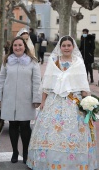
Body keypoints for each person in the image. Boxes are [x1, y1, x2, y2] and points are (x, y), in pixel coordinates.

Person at [27, 36, 97, 170]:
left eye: (68, 45)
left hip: (74, 102)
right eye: (63, 45)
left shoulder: (78, 63)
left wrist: (89, 102)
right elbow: (47, 84)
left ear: (73, 47)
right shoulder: (54, 62)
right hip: (54, 101)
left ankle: (74, 164)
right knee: (51, 132)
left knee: (73, 132)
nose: (66, 48)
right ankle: (49, 162)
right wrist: (43, 101)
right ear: (60, 47)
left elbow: (83, 85)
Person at [0, 36, 41, 164]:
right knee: (13, 125)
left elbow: (37, 81)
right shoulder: (7, 61)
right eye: (15, 45)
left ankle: (26, 152)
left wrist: (36, 98)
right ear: (12, 47)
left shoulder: (33, 61)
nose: (17, 47)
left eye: (20, 45)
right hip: (9, 98)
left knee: (25, 126)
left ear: (24, 46)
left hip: (26, 99)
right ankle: (15, 152)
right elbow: (1, 80)